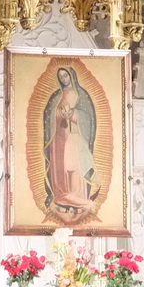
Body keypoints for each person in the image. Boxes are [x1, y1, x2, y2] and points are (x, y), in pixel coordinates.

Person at [43, 66, 98, 215]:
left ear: (71, 76)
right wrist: (59, 113)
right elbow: (48, 114)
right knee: (60, 165)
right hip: (58, 136)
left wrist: (73, 113)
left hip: (74, 135)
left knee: (73, 167)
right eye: (61, 77)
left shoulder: (81, 95)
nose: (63, 79)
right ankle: (61, 195)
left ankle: (78, 197)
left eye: (65, 76)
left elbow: (88, 118)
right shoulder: (56, 97)